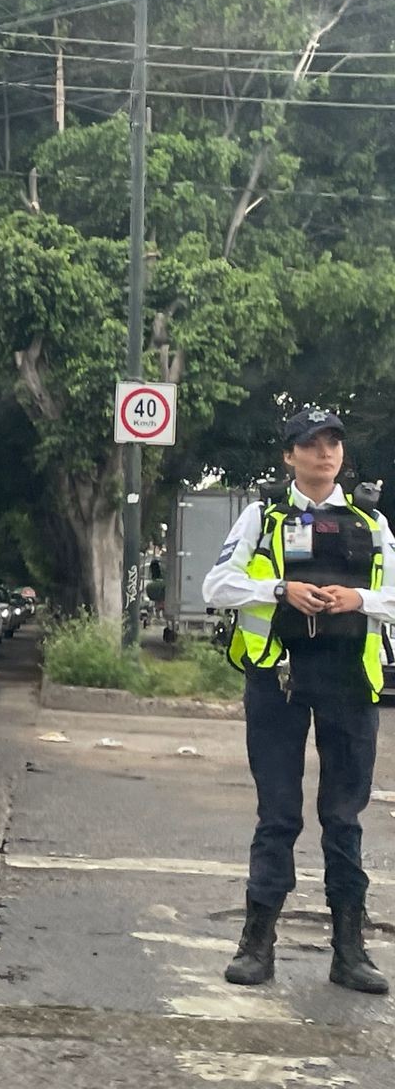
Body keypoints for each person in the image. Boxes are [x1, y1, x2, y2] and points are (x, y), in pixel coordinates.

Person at [203, 408, 395, 995]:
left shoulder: (372, 520)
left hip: (349, 685)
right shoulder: (263, 515)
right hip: (277, 681)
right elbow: (216, 588)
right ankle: (257, 945)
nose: (324, 453)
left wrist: (355, 599)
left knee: (343, 818)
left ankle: (350, 951)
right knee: (279, 815)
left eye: (333, 442)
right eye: (310, 445)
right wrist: (280, 589)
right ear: (289, 456)